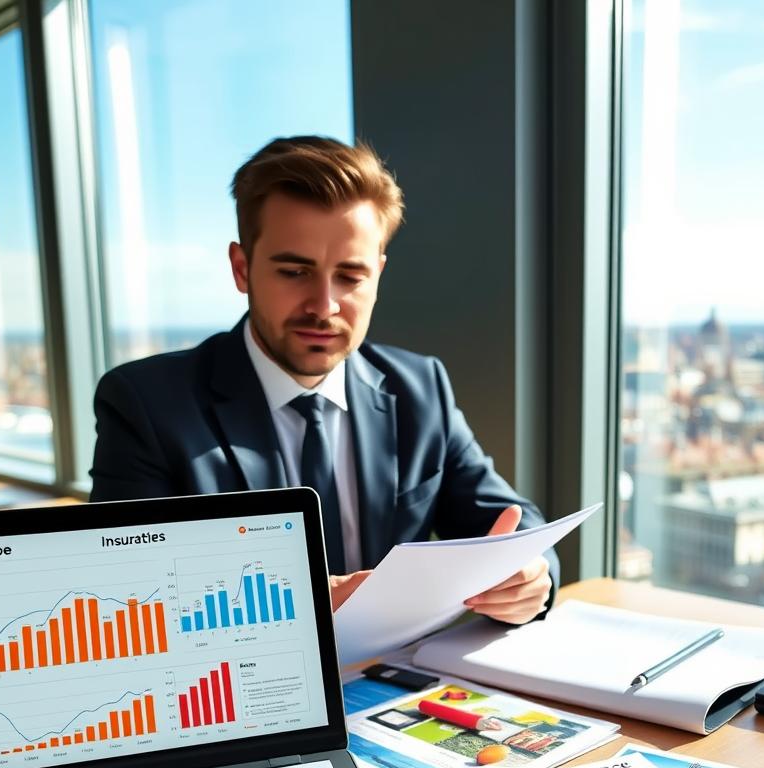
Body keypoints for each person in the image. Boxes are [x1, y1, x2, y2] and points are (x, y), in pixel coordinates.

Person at [90, 135, 557, 623]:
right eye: (294, 271)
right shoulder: (146, 403)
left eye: (350, 277)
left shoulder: (420, 387)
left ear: (377, 274)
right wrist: (298, 602)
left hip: (394, 682)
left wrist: (529, 574)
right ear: (242, 267)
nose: (324, 306)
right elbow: (126, 590)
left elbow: (510, 523)